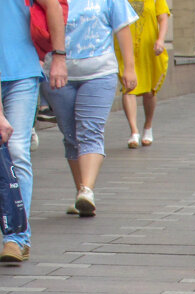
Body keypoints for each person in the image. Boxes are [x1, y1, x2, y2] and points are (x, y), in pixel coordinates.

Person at [40, 0, 139, 219]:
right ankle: (82, 193)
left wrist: (129, 68)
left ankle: (87, 190)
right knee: (70, 134)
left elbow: (122, 27)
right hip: (56, 74)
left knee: (90, 130)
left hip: (99, 73)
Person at [1, 0, 67, 262]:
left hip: (22, 73)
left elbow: (52, 6)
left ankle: (16, 238)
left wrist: (59, 57)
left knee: (17, 150)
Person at [118, 0, 170, 148]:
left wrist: (160, 39)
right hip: (125, 49)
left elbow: (163, 17)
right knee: (128, 88)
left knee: (149, 92)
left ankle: (148, 126)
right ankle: (134, 132)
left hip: (149, 48)